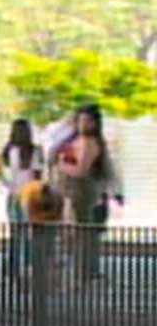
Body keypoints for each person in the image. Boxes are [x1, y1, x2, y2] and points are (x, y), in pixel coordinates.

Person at [56, 104, 115, 282]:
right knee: (74, 234)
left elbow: (81, 170)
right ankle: (80, 272)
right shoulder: (75, 139)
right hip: (70, 190)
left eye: (87, 121)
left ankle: (81, 274)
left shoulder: (90, 143)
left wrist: (62, 165)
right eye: (80, 120)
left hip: (81, 192)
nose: (83, 124)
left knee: (80, 233)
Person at [0, 119, 44, 281]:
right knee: (31, 232)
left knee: (16, 232)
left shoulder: (7, 151)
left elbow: (0, 173)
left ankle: (13, 268)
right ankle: (30, 266)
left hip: (14, 194)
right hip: (31, 194)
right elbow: (38, 175)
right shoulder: (36, 151)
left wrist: (9, 185)